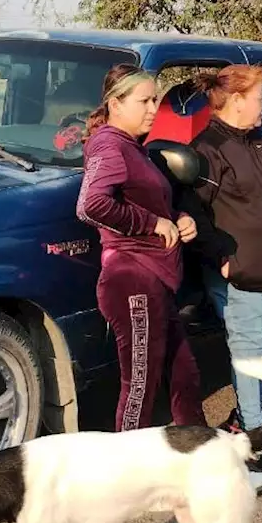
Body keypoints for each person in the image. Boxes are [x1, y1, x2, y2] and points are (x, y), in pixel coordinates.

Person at [179, 63, 262, 474]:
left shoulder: (260, 140)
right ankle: (252, 437)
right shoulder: (208, 150)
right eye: (259, 98)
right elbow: (193, 211)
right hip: (240, 271)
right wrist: (219, 257)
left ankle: (240, 416)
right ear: (235, 100)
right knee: (250, 351)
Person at [75, 64, 209, 433]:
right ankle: (124, 479)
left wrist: (179, 218)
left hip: (156, 280)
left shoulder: (136, 148)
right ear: (116, 104)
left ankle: (200, 457)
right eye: (145, 100)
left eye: (156, 99)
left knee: (184, 374)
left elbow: (152, 205)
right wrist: (152, 224)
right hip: (131, 278)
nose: (154, 108)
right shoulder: (109, 144)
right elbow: (89, 205)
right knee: (139, 389)